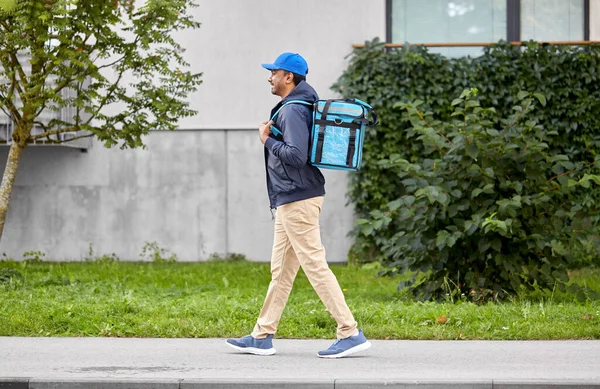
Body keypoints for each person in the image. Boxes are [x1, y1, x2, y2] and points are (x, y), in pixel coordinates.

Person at [225, 52, 371, 359]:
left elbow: (295, 156)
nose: (269, 77)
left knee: (314, 264)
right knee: (281, 271)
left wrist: (266, 139)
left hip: (298, 198)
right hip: (292, 197)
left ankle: (349, 331)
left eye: (274, 72)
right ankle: (262, 335)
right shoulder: (297, 107)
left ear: (288, 77)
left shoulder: (292, 111)